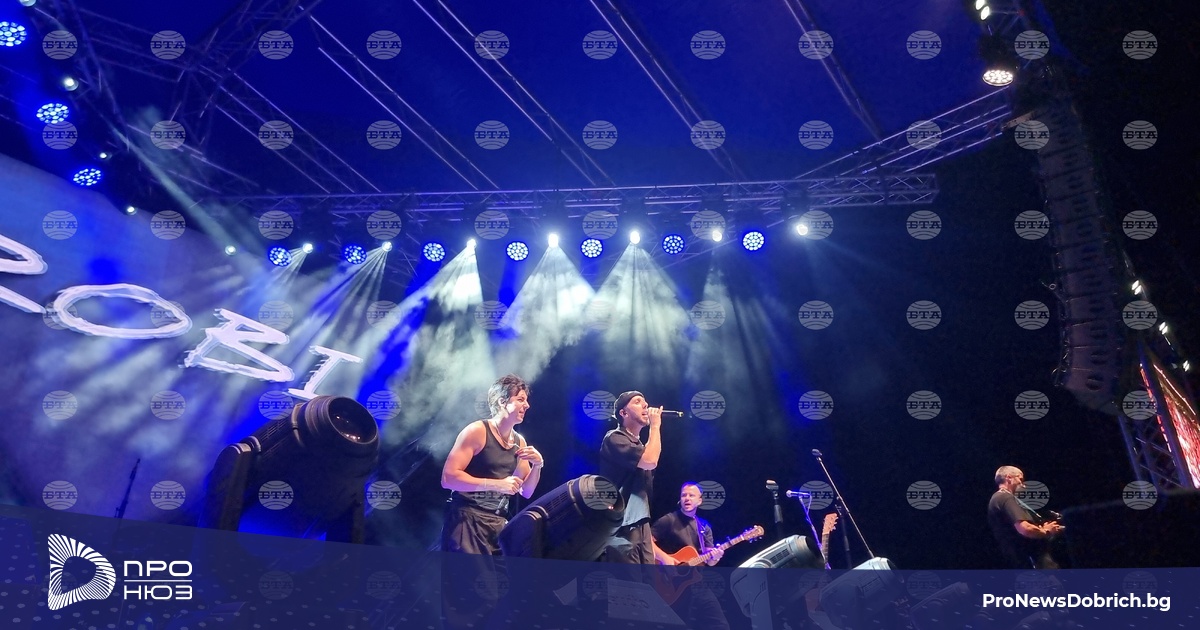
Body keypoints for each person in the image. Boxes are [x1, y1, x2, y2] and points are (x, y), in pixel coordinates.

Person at [440, 374, 544, 554]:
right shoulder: (477, 431)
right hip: (467, 521)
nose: (527, 405)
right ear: (503, 402)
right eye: (520, 400)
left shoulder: (519, 442)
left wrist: (538, 465)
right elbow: (448, 478)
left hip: (497, 526)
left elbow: (526, 491)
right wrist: (497, 484)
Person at [598, 390, 674, 564]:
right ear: (623, 413)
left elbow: (648, 458)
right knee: (627, 579)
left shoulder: (638, 445)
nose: (645, 405)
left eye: (645, 401)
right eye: (638, 401)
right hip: (621, 524)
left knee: (648, 577)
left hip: (639, 521)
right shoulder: (615, 438)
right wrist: (655, 426)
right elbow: (650, 461)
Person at [987, 466, 1064, 569]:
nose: (1023, 484)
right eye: (1020, 479)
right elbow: (1025, 528)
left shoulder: (998, 498)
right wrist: (1047, 531)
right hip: (1036, 563)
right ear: (1009, 478)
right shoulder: (1006, 497)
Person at [651, 482, 725, 566]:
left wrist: (715, 557)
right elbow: (646, 540)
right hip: (666, 572)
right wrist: (664, 557)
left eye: (691, 495)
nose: (687, 498)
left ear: (699, 501)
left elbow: (710, 562)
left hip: (694, 573)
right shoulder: (669, 519)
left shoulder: (704, 527)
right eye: (684, 495)